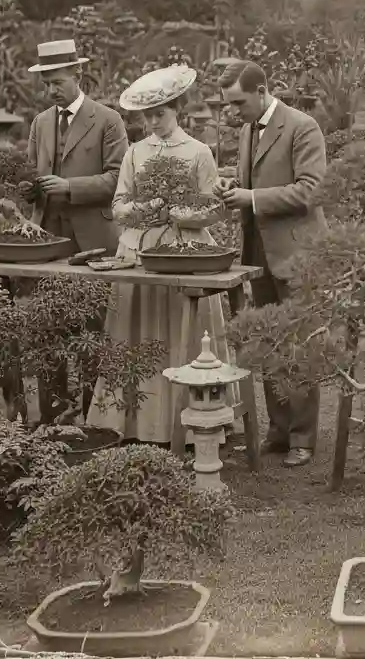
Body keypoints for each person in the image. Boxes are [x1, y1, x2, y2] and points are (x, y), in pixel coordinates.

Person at [86, 64, 227, 445]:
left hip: (186, 248)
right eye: (147, 116)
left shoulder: (198, 152)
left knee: (182, 330)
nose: (152, 122)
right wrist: (147, 209)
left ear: (177, 110)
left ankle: (191, 420)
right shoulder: (135, 153)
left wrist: (177, 212)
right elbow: (119, 205)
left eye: (160, 114)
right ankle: (134, 424)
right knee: (136, 331)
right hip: (140, 248)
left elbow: (214, 208)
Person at [218, 59, 327, 468]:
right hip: (260, 254)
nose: (232, 111)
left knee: (300, 345)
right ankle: (279, 431)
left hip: (298, 255)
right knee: (268, 343)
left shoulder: (302, 127)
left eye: (238, 102)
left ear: (261, 91)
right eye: (228, 104)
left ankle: (303, 437)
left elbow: (310, 191)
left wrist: (251, 198)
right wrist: (233, 185)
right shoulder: (248, 129)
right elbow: (256, 182)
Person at [27, 39, 128, 254]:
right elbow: (30, 173)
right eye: (46, 84)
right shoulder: (40, 122)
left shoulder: (109, 120)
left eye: (58, 82)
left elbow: (118, 178)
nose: (51, 91)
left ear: (78, 76)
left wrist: (69, 187)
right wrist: (26, 189)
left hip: (94, 239)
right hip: (45, 235)